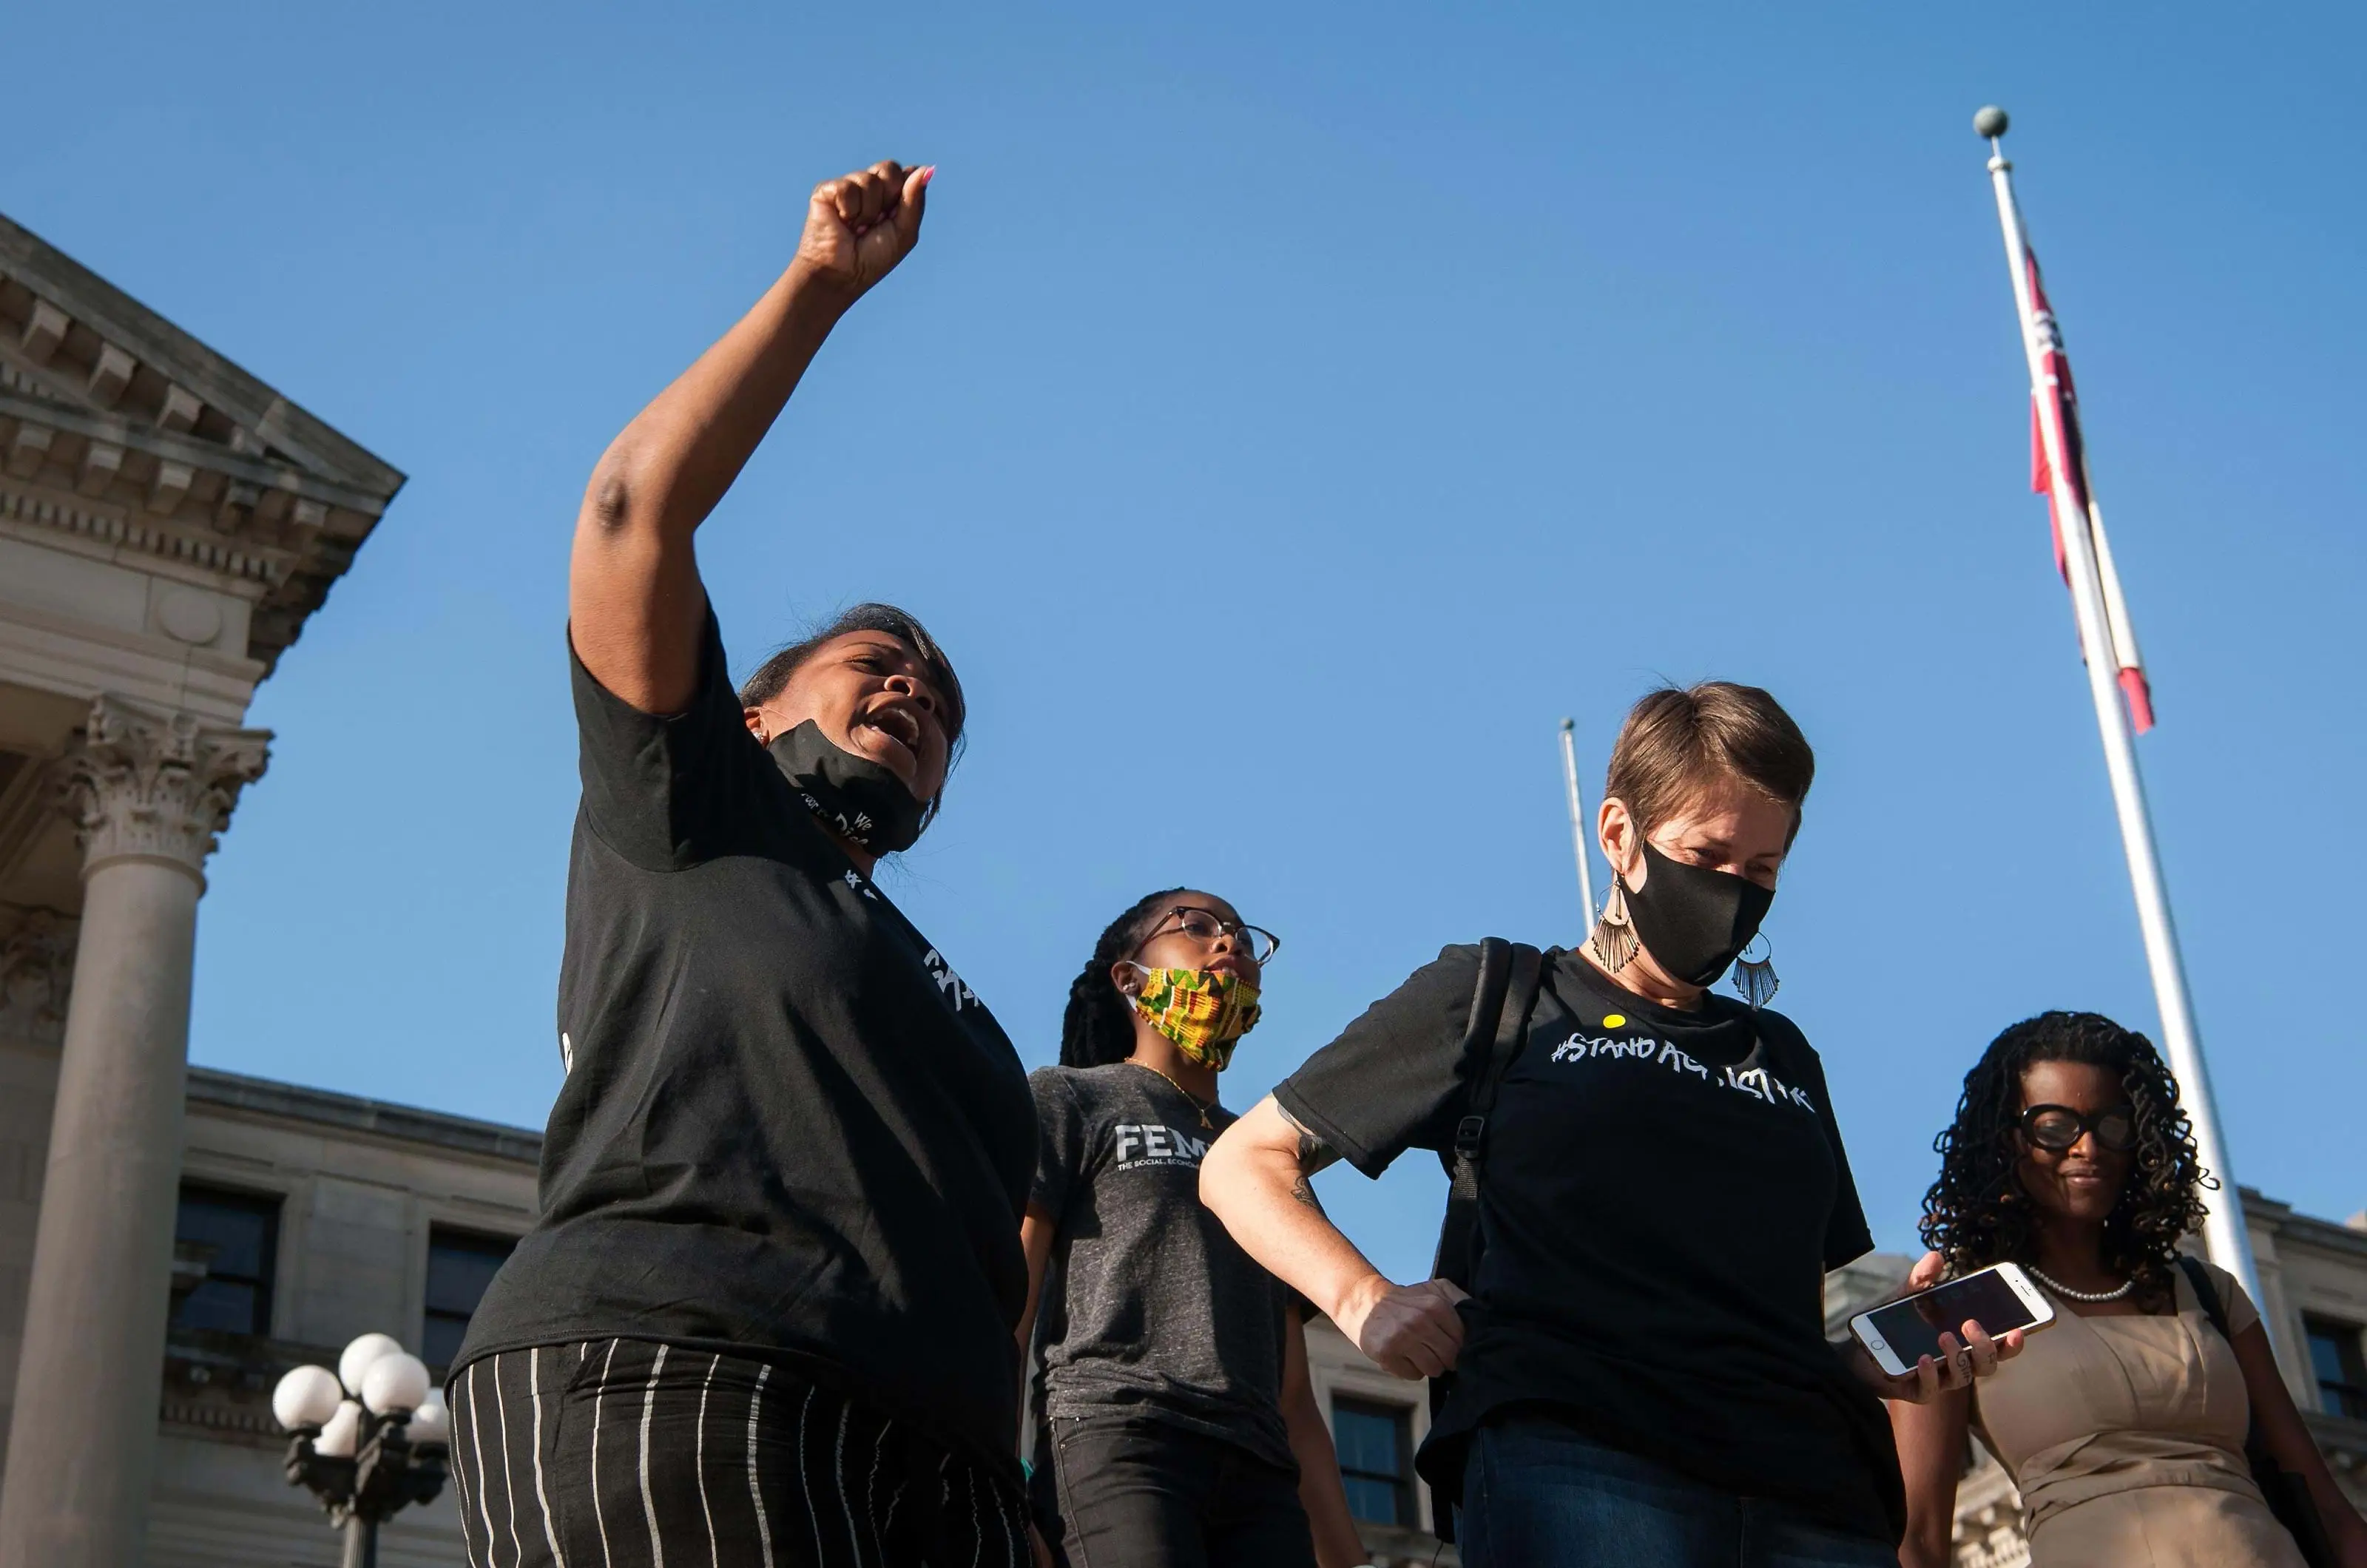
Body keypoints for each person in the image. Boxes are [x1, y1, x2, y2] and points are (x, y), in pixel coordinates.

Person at [442, 160, 1041, 1567]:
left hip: (941, 1471)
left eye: (942, 702)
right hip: (682, 1375)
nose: (916, 691)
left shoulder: (948, 996)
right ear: (754, 710)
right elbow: (627, 515)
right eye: (876, 665)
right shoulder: (694, 800)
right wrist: (819, 288)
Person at [1201, 683, 2021, 1568]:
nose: (1731, 895)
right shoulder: (1499, 996)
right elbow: (1243, 1161)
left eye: (1761, 872)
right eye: (1706, 856)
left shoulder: (1780, 1053)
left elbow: (1774, 1318)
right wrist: (1362, 1297)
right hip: (1578, 1470)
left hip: (1813, 1496)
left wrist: (1879, 1352)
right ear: (1619, 835)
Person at [1894, 1011, 2367, 1568]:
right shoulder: (1959, 1308)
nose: (2087, 1148)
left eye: (2111, 1126)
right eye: (2054, 1126)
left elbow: (2331, 1511)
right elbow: (1919, 1542)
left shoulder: (2206, 1292)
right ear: (2006, 1142)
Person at [1019, 889, 1371, 1568]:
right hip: (1119, 1443)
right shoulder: (1071, 1098)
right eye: (1199, 928)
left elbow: (1294, 1392)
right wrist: (991, 1474)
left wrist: (1349, 1559)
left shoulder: (1267, 1153)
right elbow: (1011, 1294)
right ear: (1129, 978)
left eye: (1242, 935)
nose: (1229, 943)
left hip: (1262, 1477)